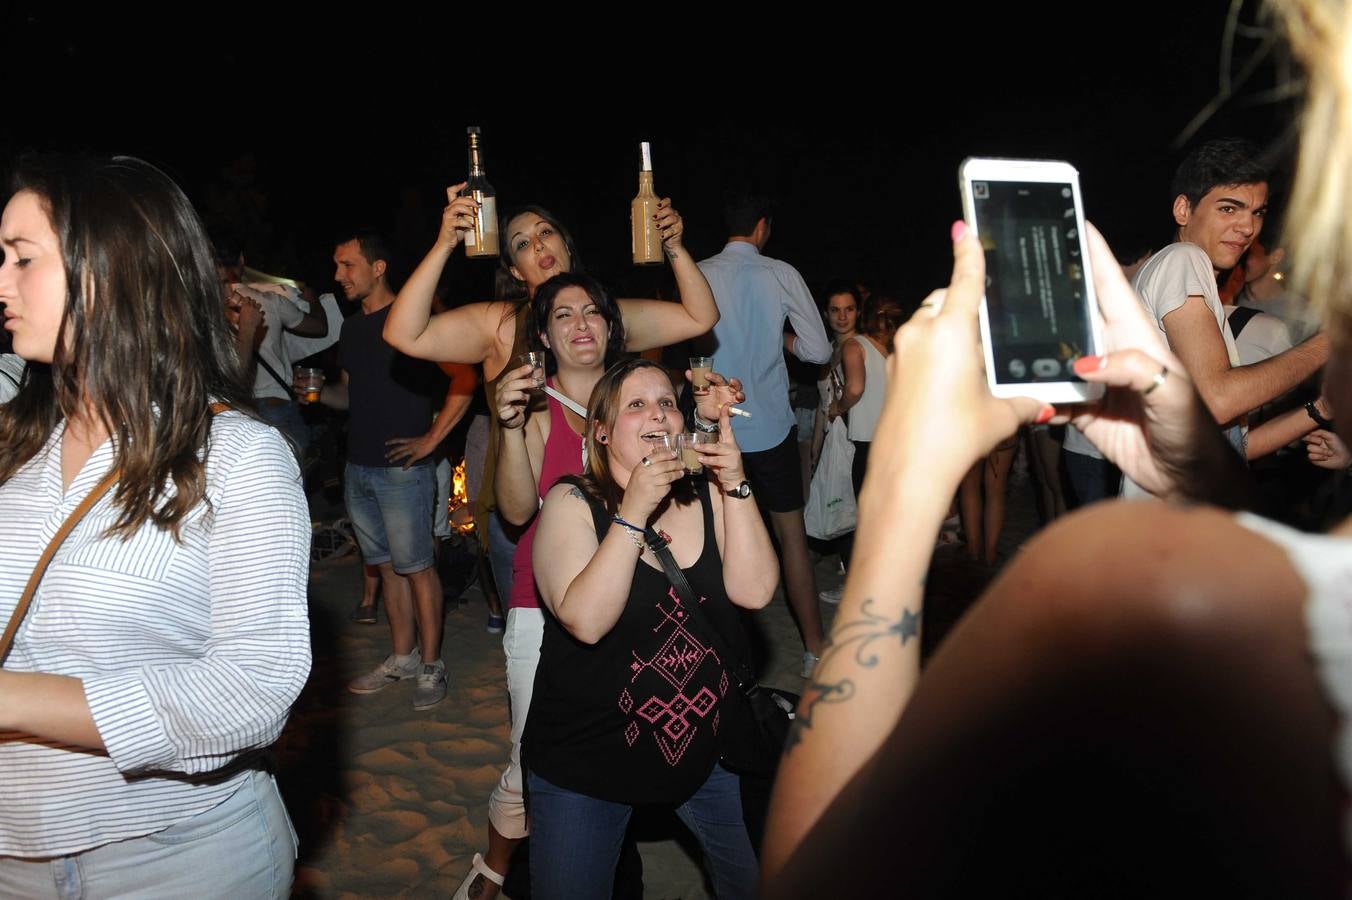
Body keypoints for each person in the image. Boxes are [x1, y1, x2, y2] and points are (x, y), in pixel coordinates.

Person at [761, 6, 1352, 879]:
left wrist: (902, 491)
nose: (1250, 233)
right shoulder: (1190, 272)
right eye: (1232, 209)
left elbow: (811, 866)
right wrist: (1222, 452)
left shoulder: (1113, 579)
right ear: (1189, 208)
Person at [0, 155, 309, 897]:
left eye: (23, 259)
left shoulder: (237, 456)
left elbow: (253, 689)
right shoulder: (13, 445)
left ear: (108, 270)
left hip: (180, 855)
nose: (2, 283)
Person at [524, 358, 778, 900]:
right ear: (601, 430)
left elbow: (755, 592)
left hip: (708, 747)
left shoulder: (707, 493)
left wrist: (735, 482)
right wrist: (633, 511)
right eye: (635, 405)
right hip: (589, 759)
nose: (657, 414)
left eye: (666, 402)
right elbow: (586, 622)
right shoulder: (573, 502)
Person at [302, 231, 453, 710]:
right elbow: (348, 397)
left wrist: (432, 438)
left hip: (403, 471)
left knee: (419, 569)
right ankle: (402, 656)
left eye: (348, 265)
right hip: (359, 469)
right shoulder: (350, 330)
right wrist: (313, 394)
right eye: (337, 265)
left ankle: (432, 663)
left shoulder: (411, 321)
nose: (339, 275)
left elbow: (466, 377)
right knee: (387, 569)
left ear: (378, 267)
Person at [697, 189, 833, 677]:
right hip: (772, 428)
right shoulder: (780, 273)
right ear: (761, 228)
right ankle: (815, 647)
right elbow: (818, 350)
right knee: (791, 539)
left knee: (714, 543)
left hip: (716, 430)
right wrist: (780, 336)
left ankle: (718, 656)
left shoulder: (699, 272)